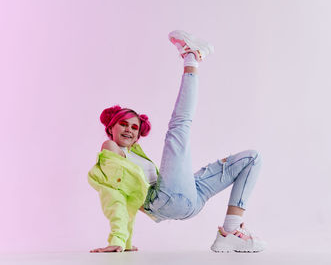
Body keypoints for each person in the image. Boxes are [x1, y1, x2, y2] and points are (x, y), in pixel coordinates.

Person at [88, 30, 266, 253]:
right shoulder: (110, 149)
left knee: (251, 159)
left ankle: (230, 232)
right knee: (179, 128)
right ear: (110, 127)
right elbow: (114, 197)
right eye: (123, 124)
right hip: (165, 200)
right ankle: (191, 57)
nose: (129, 130)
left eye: (135, 127)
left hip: (189, 200)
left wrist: (125, 241)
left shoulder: (134, 153)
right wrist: (118, 239)